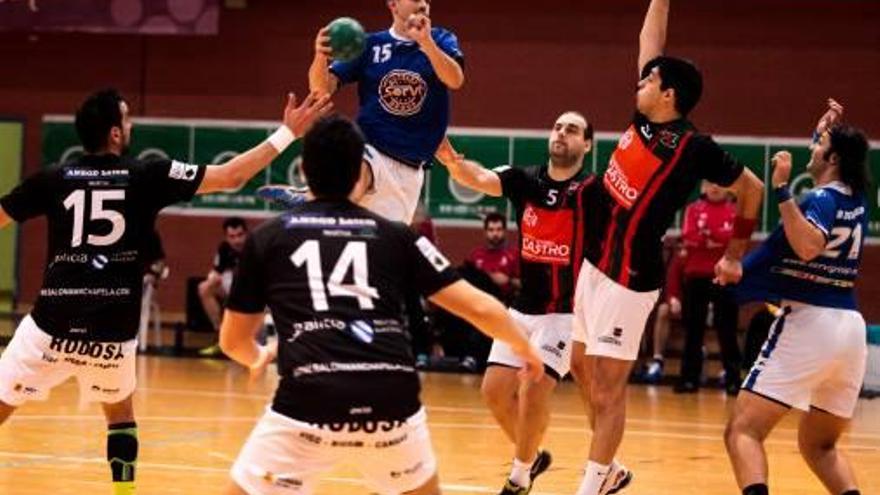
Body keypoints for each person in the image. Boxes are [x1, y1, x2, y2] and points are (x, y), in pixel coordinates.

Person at [0, 88, 330, 495]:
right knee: (119, 413)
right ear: (115, 134)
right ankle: (125, 493)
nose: (131, 123)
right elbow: (232, 176)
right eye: (126, 117)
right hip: (113, 332)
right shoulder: (146, 174)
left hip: (50, 325)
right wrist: (287, 133)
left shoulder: (52, 178)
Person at [218, 114, 542, 495]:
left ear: (304, 170)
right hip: (390, 403)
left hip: (307, 402)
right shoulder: (398, 236)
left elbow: (232, 342)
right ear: (361, 172)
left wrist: (257, 356)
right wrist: (525, 349)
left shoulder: (267, 239)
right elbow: (480, 308)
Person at [568, 1, 765, 493]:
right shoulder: (641, 121)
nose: (640, 82)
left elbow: (754, 189)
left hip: (629, 276)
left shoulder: (694, 147)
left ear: (668, 94)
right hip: (594, 265)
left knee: (611, 390)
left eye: (648, 80)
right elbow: (649, 41)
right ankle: (608, 469)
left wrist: (734, 254)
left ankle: (591, 486)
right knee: (580, 369)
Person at [437, 111, 594, 494]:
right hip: (522, 309)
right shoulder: (524, 180)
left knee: (534, 389)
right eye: (557, 127)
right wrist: (453, 164)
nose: (561, 133)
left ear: (586, 145)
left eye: (571, 130)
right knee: (493, 391)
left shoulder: (593, 191)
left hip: (563, 312)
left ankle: (519, 477)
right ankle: (534, 456)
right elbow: (478, 178)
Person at [725, 101, 870, 495]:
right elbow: (830, 160)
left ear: (834, 157)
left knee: (743, 431)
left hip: (811, 323)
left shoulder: (821, 199)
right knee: (819, 446)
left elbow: (807, 246)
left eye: (818, 144)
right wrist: (828, 129)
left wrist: (782, 190)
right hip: (850, 331)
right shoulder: (854, 197)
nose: (811, 148)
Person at [302, 0, 464, 224]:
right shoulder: (369, 45)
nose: (424, 3)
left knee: (381, 245)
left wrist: (426, 43)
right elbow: (321, 91)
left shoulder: (441, 39)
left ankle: (323, 202)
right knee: (359, 175)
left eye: (427, 0)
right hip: (372, 148)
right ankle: (321, 200)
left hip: (411, 171)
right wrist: (320, 56)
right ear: (393, 5)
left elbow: (455, 79)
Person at [675, 181, 742, 395]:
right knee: (694, 330)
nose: (715, 187)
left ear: (729, 188)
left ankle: (733, 380)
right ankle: (689, 380)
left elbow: (733, 240)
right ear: (703, 187)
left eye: (720, 184)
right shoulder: (693, 210)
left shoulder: (734, 212)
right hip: (696, 275)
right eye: (710, 183)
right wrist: (715, 239)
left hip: (723, 276)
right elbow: (690, 237)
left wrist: (709, 237)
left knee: (727, 330)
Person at [198, 217, 249, 356]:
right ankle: (221, 335)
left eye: (240, 235)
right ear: (226, 237)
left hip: (253, 293)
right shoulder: (224, 248)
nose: (236, 240)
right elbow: (216, 271)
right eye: (232, 237)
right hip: (231, 290)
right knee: (204, 288)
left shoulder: (254, 247)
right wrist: (212, 277)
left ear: (246, 234)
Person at [641, 238, 683, 384]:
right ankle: (653, 360)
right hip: (677, 301)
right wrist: (673, 298)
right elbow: (672, 282)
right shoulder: (676, 256)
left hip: (696, 302)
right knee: (655, 309)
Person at [467, 212, 520, 304]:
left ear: (505, 231)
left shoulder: (515, 254)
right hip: (479, 304)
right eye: (491, 230)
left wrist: (508, 280)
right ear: (485, 232)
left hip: (506, 304)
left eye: (499, 229)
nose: (495, 234)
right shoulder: (475, 255)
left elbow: (527, 286)